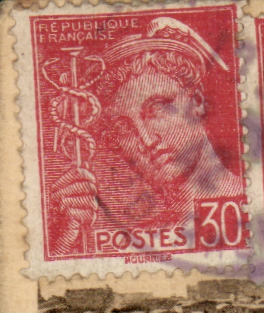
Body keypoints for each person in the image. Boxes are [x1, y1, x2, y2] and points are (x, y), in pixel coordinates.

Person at [50, 16, 238, 254]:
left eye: (157, 108)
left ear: (197, 101)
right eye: (123, 128)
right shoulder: (141, 239)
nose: (146, 141)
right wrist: (65, 238)